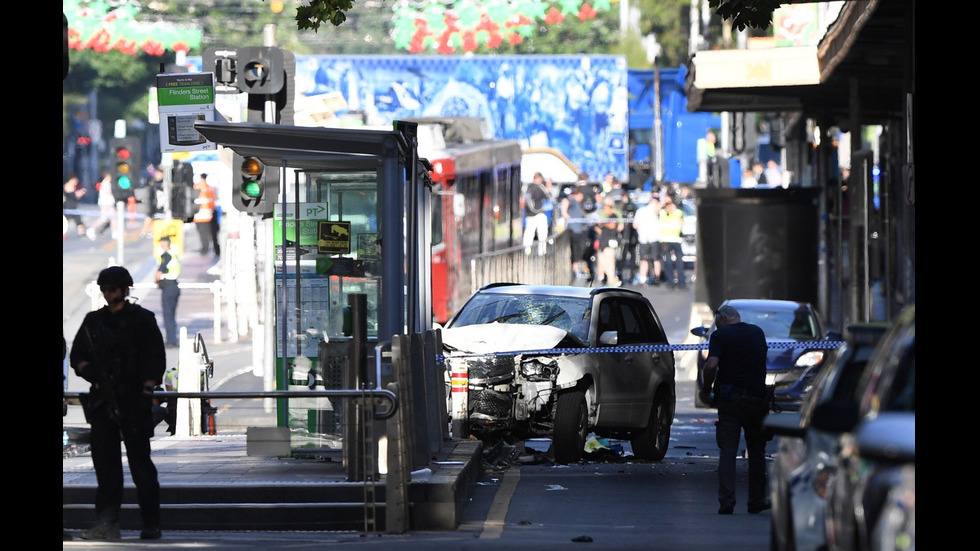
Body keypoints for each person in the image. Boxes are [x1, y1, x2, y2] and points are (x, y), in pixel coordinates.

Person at [70, 266, 166, 541]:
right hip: (103, 401)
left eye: (111, 289)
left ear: (125, 289)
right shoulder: (93, 322)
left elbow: (155, 357)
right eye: (104, 289)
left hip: (133, 399)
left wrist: (147, 389)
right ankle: (108, 524)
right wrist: (94, 375)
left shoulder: (141, 320)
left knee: (141, 466)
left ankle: (151, 524)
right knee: (106, 467)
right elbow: (78, 357)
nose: (107, 294)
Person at [699, 305, 771, 516]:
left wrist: (706, 388)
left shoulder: (720, 335)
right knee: (757, 451)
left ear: (722, 318)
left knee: (728, 451)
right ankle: (756, 500)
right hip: (756, 400)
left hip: (730, 400)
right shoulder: (757, 332)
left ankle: (727, 502)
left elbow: (711, 365)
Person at [561, 185, 591, 283]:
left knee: (578, 250)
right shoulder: (572, 200)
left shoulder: (578, 203)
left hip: (578, 230)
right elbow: (565, 202)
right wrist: (566, 215)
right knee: (575, 250)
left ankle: (577, 269)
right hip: (574, 230)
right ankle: (576, 270)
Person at [155, 236, 181, 348]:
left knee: (168, 314)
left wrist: (156, 281)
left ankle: (171, 341)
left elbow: (159, 273)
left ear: (164, 244)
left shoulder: (166, 255)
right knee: (172, 314)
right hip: (175, 286)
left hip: (168, 287)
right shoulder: (174, 254)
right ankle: (173, 338)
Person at [632, 193, 662, 286]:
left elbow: (635, 225)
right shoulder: (657, 209)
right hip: (654, 237)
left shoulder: (640, 210)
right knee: (656, 259)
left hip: (643, 238)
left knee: (643, 259)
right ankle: (656, 278)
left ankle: (643, 278)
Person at [658, 193, 686, 288]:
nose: (669, 206)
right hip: (665, 240)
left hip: (676, 240)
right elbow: (655, 210)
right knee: (668, 262)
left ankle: (681, 282)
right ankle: (670, 281)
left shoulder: (678, 212)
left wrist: (674, 211)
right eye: (667, 204)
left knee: (679, 262)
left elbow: (682, 223)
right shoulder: (662, 212)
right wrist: (663, 202)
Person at [594, 196, 622, 286]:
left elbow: (612, 226)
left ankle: (611, 280)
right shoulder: (605, 218)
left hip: (610, 243)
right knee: (601, 263)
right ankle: (602, 278)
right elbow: (602, 230)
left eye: (606, 208)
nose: (604, 211)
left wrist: (602, 223)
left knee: (610, 263)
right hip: (603, 243)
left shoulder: (614, 216)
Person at [522, 172, 550, 256]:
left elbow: (523, 199)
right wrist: (548, 187)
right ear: (539, 179)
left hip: (529, 214)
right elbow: (547, 197)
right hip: (539, 214)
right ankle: (542, 252)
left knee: (529, 233)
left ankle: (527, 251)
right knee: (542, 233)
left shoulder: (526, 187)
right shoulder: (540, 187)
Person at [193, 173, 221, 256]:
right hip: (209, 214)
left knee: (203, 234)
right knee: (213, 234)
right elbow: (214, 201)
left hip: (199, 215)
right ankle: (216, 250)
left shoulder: (196, 187)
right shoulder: (211, 188)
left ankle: (205, 250)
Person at [87, 170, 117, 240]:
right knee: (104, 218)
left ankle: (114, 232)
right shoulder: (106, 183)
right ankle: (91, 229)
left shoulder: (106, 183)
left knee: (113, 218)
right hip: (106, 203)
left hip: (108, 203)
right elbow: (108, 192)